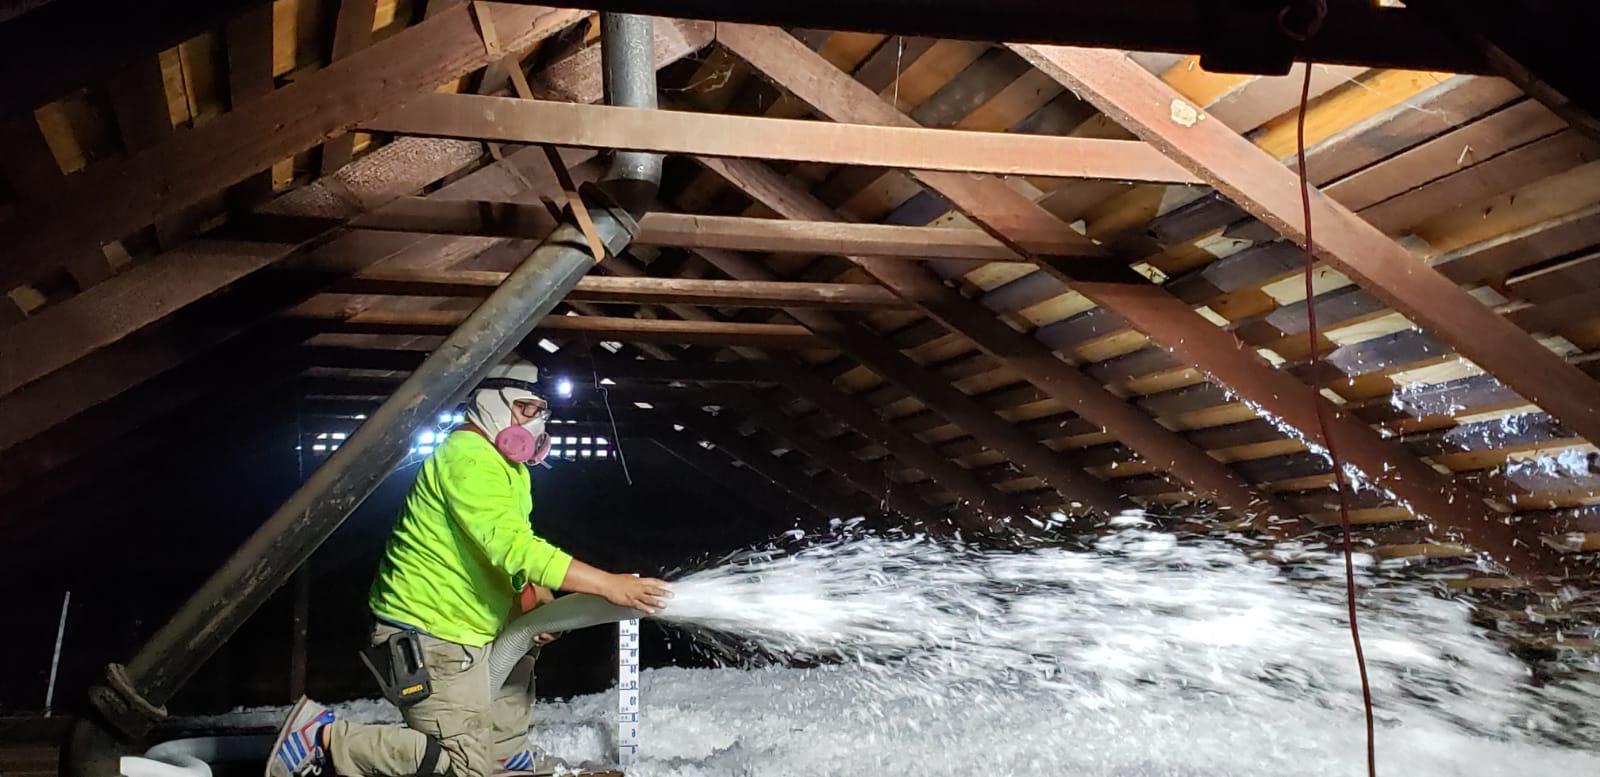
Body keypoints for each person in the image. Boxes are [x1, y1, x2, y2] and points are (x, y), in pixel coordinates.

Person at [267, 357, 670, 777]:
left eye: (541, 415)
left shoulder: (508, 468)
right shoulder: (468, 458)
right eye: (527, 411)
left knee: (516, 668)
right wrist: (607, 584)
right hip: (431, 633)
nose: (535, 427)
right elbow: (514, 546)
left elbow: (498, 544)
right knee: (462, 768)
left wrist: (532, 593)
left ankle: (504, 757)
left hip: (469, 626)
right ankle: (324, 738)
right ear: (491, 402)